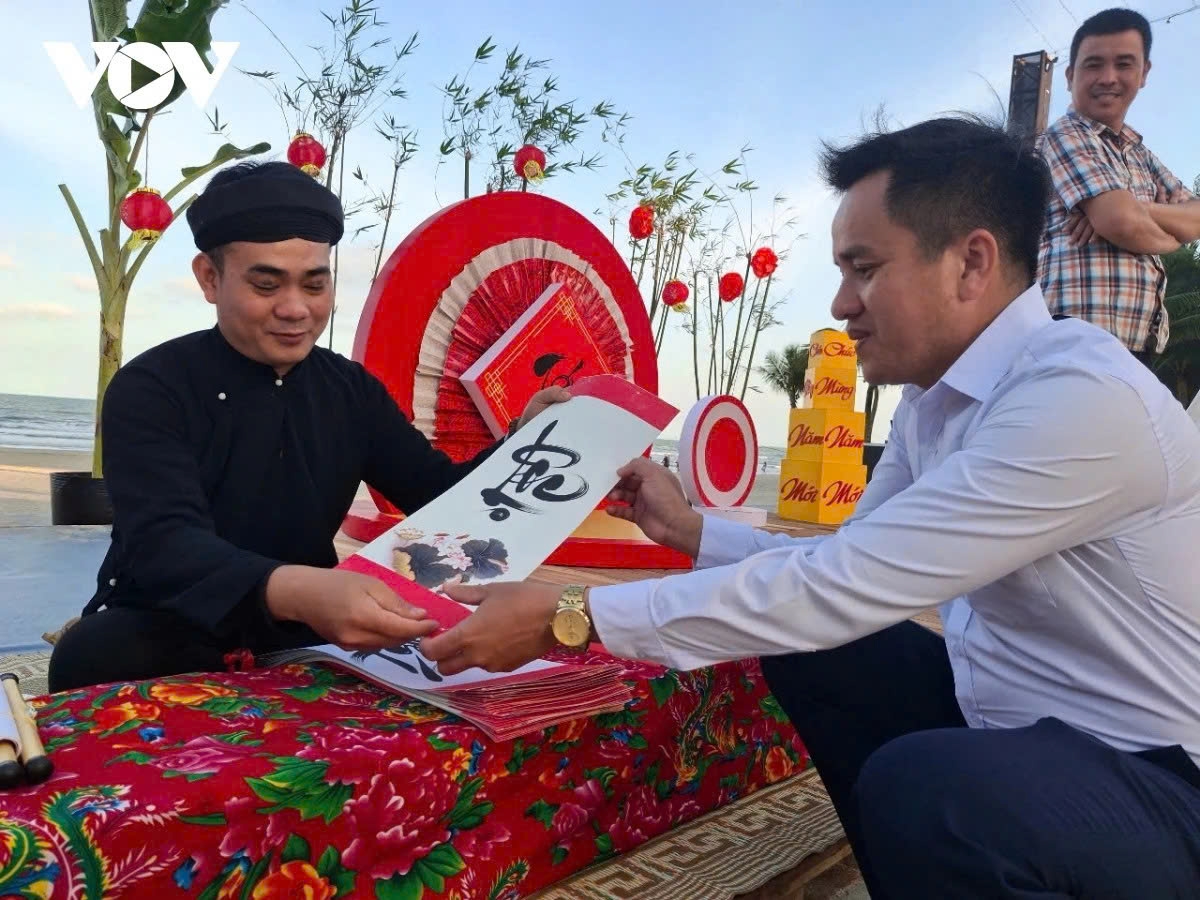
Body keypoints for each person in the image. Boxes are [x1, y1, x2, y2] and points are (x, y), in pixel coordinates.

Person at [419, 117, 1200, 898]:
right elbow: (843, 569)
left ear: (971, 262)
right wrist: (686, 529)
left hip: (1159, 777)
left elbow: (840, 586)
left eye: (863, 268)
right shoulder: (935, 404)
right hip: (1011, 723)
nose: (840, 304)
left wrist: (571, 614)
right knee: (833, 655)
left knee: (931, 791)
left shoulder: (1077, 399)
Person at [47, 160, 565, 693]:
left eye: (314, 285)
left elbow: (438, 495)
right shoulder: (152, 386)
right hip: (175, 618)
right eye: (266, 285)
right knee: (87, 655)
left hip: (311, 625)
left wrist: (524, 440)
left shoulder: (350, 391)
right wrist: (299, 589)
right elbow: (166, 544)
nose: (295, 310)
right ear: (209, 278)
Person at [1037, 7, 1200, 368]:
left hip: (1136, 340)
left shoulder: (1140, 153)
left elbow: (1197, 218)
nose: (1108, 77)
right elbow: (1120, 223)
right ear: (1069, 75)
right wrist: (1170, 232)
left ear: (1144, 73)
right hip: (1074, 336)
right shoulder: (1065, 135)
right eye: (1093, 64)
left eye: (1124, 64)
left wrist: (1137, 208)